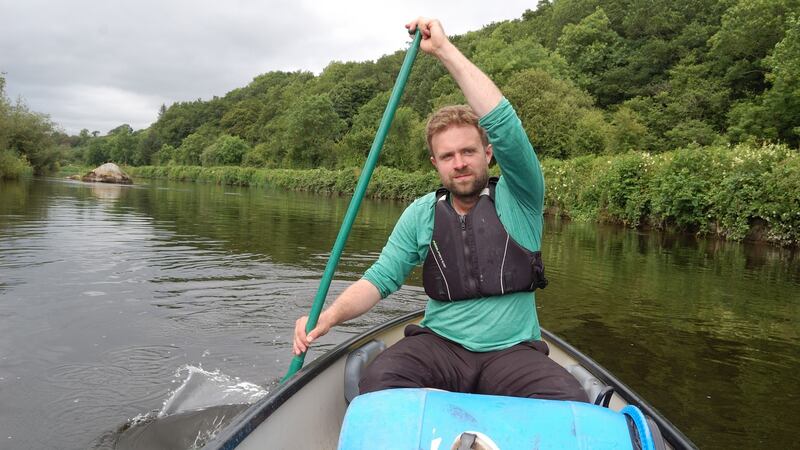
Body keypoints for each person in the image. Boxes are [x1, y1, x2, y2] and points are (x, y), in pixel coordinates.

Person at [293, 17, 588, 402]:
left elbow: (503, 122)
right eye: (447, 156)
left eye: (468, 151)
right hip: (441, 347)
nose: (459, 162)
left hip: (513, 353)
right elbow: (380, 279)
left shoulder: (522, 196)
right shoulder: (421, 213)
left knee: (568, 403)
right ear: (436, 164)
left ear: (488, 153)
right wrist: (327, 319)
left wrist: (444, 50)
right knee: (380, 382)